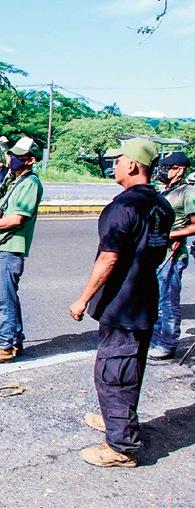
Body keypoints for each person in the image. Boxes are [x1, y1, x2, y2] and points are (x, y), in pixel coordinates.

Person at [69, 138, 174, 468]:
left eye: (118, 160)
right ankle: (114, 419)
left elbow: (108, 258)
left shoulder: (123, 207)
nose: (114, 165)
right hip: (144, 297)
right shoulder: (162, 206)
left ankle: (121, 447)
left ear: (132, 164)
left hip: (122, 303)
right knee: (131, 367)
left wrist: (83, 299)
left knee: (114, 372)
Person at [0, 137, 43, 364]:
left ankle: (4, 346)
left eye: (18, 156)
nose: (12, 158)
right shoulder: (15, 181)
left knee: (4, 300)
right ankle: (15, 340)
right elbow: (7, 211)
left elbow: (17, 218)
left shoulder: (30, 183)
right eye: (12, 154)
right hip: (4, 245)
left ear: (30, 160)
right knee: (9, 297)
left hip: (11, 248)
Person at [149, 152, 195, 360]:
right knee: (155, 299)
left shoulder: (188, 192)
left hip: (172, 254)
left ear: (179, 170)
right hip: (156, 252)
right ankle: (155, 339)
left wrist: (170, 235)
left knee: (167, 300)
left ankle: (167, 343)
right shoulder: (165, 191)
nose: (162, 171)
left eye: (167, 167)